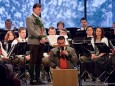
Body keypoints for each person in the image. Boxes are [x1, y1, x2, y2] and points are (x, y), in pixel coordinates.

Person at [26, 3, 47, 85]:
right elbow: (31, 30)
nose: (40, 10)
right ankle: (32, 79)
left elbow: (44, 29)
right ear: (34, 9)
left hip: (41, 42)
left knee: (39, 61)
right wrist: (40, 37)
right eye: (38, 9)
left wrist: (44, 37)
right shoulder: (29, 18)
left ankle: (38, 78)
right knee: (33, 60)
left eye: (40, 9)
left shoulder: (40, 19)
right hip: (34, 41)